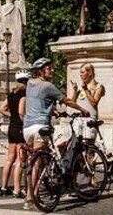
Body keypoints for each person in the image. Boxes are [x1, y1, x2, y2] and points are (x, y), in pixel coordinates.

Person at [23, 58, 89, 211]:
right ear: (41, 71)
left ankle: (36, 190)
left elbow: (36, 102)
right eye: (49, 68)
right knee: (38, 165)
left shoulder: (29, 84)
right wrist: (82, 110)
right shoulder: (47, 86)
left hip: (27, 127)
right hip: (40, 126)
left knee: (35, 160)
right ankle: (29, 196)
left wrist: (52, 110)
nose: (52, 70)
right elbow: (67, 101)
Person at [0, 70, 30, 197]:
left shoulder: (11, 94)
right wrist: (21, 119)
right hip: (20, 128)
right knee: (20, 159)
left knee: (9, 159)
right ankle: (17, 189)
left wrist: (12, 116)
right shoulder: (24, 94)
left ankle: (3, 187)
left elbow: (2, 109)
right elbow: (21, 112)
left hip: (11, 127)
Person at [68, 63, 105, 143]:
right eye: (80, 73)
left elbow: (94, 103)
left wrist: (86, 89)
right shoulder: (82, 87)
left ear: (90, 73)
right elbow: (72, 103)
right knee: (76, 146)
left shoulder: (99, 86)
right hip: (79, 119)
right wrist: (75, 91)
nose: (80, 75)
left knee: (89, 146)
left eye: (82, 72)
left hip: (90, 119)